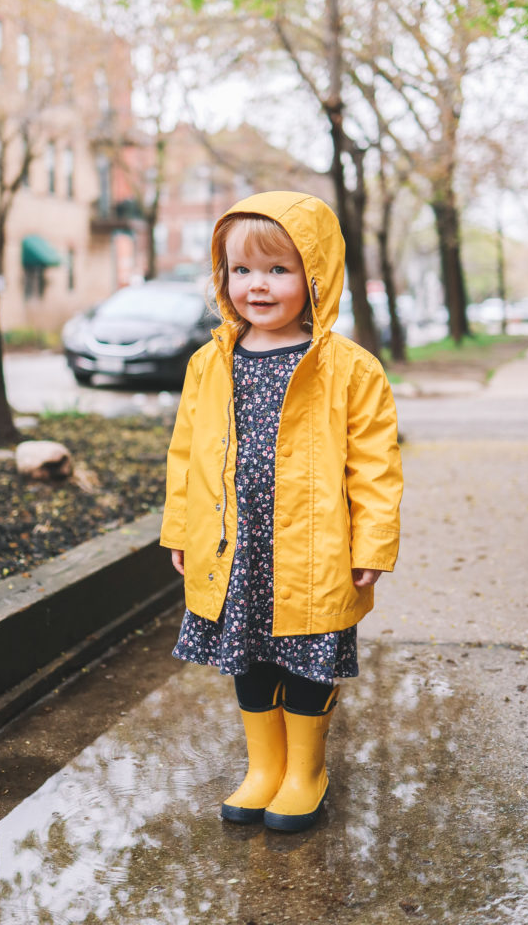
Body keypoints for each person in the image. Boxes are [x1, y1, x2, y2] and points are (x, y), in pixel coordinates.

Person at [160, 191, 403, 832]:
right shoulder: (210, 364)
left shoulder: (350, 370)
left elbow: (374, 468)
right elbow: (186, 455)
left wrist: (372, 546)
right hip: (237, 546)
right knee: (247, 654)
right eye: (241, 271)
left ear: (315, 276)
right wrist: (181, 528)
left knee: (308, 655)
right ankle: (264, 767)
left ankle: (306, 771)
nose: (257, 287)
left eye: (277, 270)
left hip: (316, 547)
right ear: (223, 277)